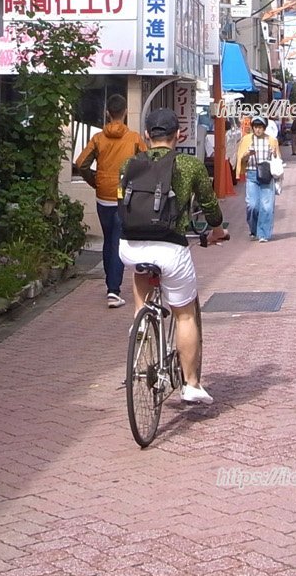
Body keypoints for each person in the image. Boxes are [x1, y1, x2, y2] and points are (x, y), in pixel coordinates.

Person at [118, 107, 228, 404]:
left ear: (145, 135)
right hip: (170, 247)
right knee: (184, 313)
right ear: (178, 135)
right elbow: (209, 205)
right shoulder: (190, 166)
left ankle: (140, 321)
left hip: (129, 246)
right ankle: (191, 383)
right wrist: (217, 230)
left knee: (141, 268)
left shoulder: (129, 164)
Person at [74, 94, 147, 309]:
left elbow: (81, 163)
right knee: (118, 241)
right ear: (125, 112)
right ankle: (113, 290)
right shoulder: (134, 138)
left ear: (108, 113)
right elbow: (145, 164)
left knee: (108, 240)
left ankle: (110, 284)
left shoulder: (98, 139)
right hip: (124, 196)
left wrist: (95, 182)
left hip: (103, 195)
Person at [234, 116, 282, 241]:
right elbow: (240, 159)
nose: (258, 130)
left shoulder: (272, 140)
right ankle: (254, 229)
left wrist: (274, 153)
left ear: (264, 128)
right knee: (252, 205)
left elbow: (278, 160)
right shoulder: (246, 140)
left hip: (267, 175)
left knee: (266, 206)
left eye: (260, 127)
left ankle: (263, 234)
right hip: (251, 174)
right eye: (256, 127)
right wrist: (247, 154)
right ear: (252, 128)